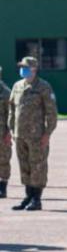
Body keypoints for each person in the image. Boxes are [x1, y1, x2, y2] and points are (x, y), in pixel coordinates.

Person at [5, 57, 58, 211]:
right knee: (25, 166)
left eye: (26, 67)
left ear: (34, 69)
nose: (23, 70)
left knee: (38, 166)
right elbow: (12, 110)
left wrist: (47, 134)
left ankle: (36, 199)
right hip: (20, 135)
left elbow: (51, 113)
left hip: (37, 136)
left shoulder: (43, 87)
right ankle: (28, 196)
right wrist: (12, 130)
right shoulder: (17, 86)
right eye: (22, 67)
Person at [0, 67, 10, 198]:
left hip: (2, 133)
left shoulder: (6, 93)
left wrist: (9, 132)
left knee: (3, 159)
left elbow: (11, 114)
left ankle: (2, 186)